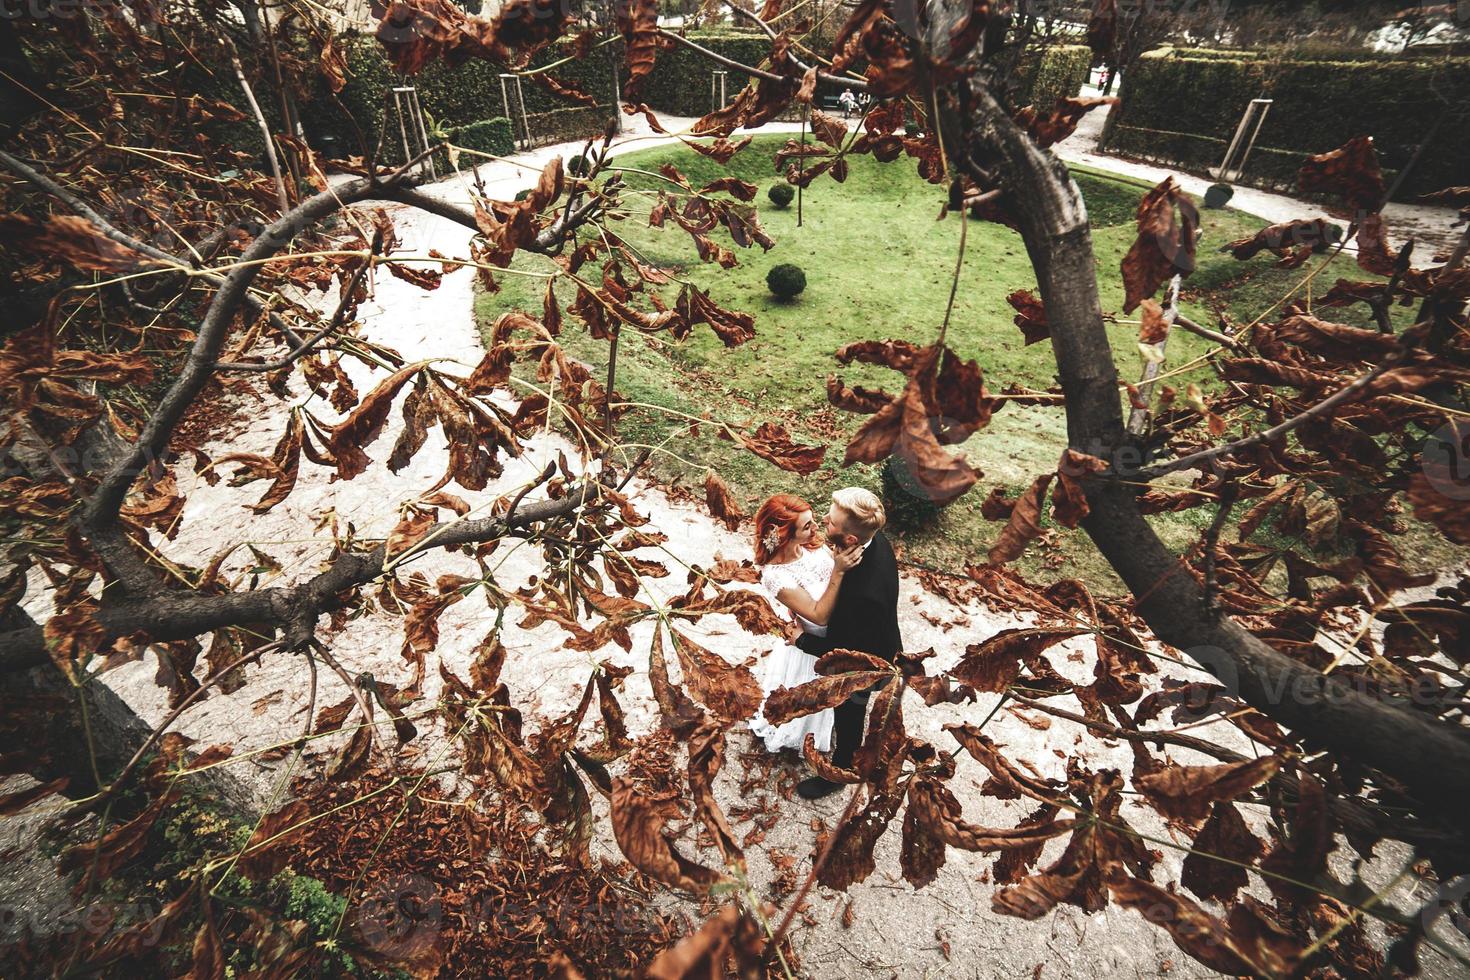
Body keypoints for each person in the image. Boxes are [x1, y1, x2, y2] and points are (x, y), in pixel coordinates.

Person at [791, 487, 901, 800]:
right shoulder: (876, 540)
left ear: (850, 541)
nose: (824, 519)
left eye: (831, 524)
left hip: (865, 660)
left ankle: (839, 772)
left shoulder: (862, 594)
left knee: (850, 714)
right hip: (875, 632)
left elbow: (841, 650)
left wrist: (801, 640)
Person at [748, 494, 863, 754]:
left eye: (813, 521)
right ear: (783, 534)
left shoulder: (810, 546)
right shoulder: (776, 576)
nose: (816, 528)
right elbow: (818, 615)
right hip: (814, 642)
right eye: (807, 526)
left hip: (840, 627)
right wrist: (839, 570)